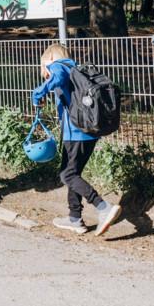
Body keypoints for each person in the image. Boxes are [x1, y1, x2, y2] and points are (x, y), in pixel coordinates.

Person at [32, 43, 122, 235]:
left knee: (67, 175)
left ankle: (102, 207)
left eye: (42, 65)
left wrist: (39, 92)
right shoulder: (75, 68)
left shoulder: (58, 65)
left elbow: (58, 76)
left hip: (75, 133)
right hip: (90, 132)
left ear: (48, 59)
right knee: (73, 174)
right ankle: (75, 218)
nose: (44, 71)